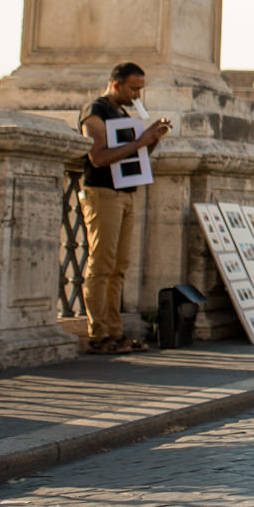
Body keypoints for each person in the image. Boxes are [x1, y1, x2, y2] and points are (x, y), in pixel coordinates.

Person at [77, 62, 170, 354]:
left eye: (140, 88)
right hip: (103, 193)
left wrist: (152, 139)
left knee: (119, 267)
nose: (137, 95)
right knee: (101, 265)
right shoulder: (96, 111)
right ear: (116, 84)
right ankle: (98, 334)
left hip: (126, 193)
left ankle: (114, 332)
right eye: (133, 88)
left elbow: (135, 154)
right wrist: (141, 140)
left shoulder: (122, 113)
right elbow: (98, 158)